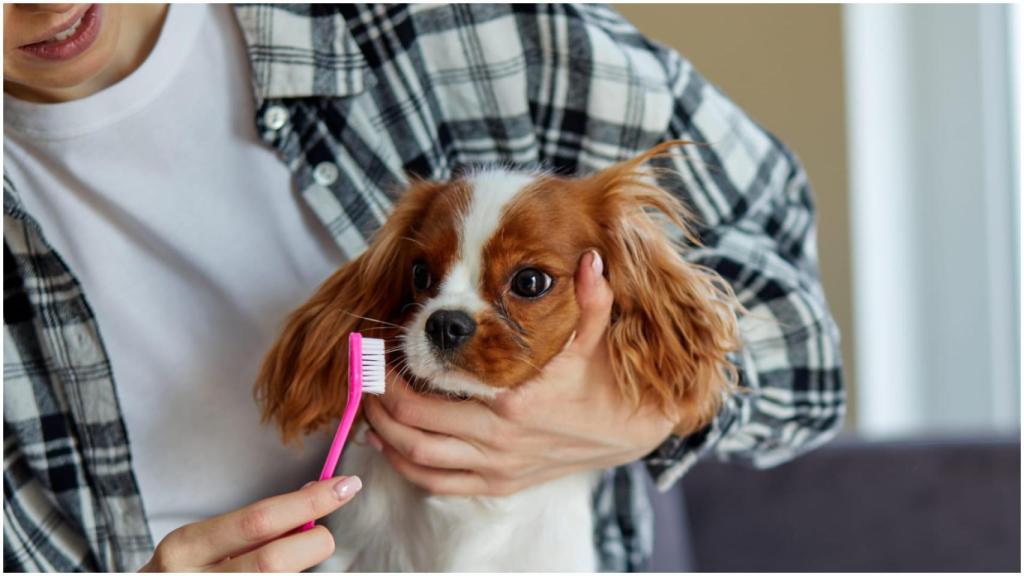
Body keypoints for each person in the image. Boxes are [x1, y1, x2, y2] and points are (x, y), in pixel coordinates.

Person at [3, 3, 846, 572]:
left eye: (527, 282)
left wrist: (648, 409)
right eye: (424, 278)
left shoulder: (472, 24)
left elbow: (809, 350)